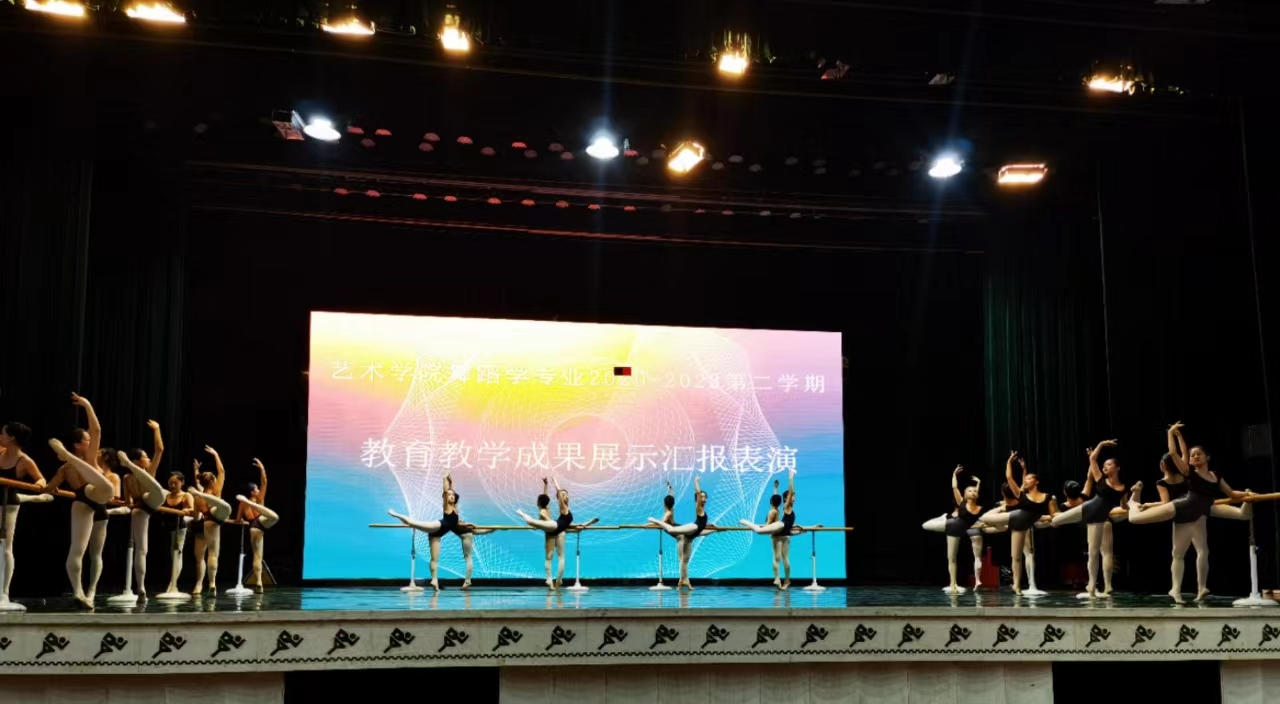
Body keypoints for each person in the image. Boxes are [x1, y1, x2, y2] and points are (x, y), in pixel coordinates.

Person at [1129, 422, 1252, 602]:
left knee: (1187, 552)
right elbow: (1174, 454)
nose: (1195, 456)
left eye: (1198, 454)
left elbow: (1232, 494)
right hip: (1180, 508)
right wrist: (1173, 434)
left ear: (1206, 457)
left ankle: (1191, 589)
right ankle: (1132, 502)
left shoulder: (1216, 476)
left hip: (1196, 514)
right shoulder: (1189, 473)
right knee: (1134, 519)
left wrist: (1248, 494)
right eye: (1192, 455)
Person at [43, 394, 127, 609]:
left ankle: (90, 591)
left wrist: (87, 405)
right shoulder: (80, 462)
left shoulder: (79, 462)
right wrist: (42, 487)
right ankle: (78, 592)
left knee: (93, 552)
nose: (92, 441)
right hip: (87, 498)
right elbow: (49, 488)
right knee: (78, 549)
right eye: (87, 440)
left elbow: (96, 430)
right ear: (78, 444)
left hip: (95, 502)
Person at [388, 472, 494, 590]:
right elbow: (446, 491)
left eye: (453, 495)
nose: (451, 496)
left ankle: (434, 580)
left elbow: (456, 520)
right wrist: (445, 478)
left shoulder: (455, 509)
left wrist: (467, 524)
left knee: (434, 559)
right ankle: (396, 514)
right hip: (437, 527)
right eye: (449, 495)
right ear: (445, 497)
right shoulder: (447, 506)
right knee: (414, 523)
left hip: (439, 533)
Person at [1051, 440, 1126, 598]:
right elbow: (1092, 459)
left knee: (1094, 552)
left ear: (1117, 467)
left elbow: (1124, 506)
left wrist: (1136, 503)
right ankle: (1098, 586)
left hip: (1097, 518)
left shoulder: (1123, 488)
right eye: (1104, 465)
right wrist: (1102, 444)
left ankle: (1093, 588)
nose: (1105, 467)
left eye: (1109, 465)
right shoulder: (1101, 480)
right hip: (1087, 509)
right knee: (1055, 521)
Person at [979, 451, 1057, 596]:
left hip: (1022, 527)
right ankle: (1017, 585)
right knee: (984, 518)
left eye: (1029, 479)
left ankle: (1017, 585)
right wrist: (1009, 462)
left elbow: (1054, 516)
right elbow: (1009, 477)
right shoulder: (1021, 495)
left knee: (1017, 557)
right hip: (1014, 518)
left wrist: (1047, 518)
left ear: (1037, 481)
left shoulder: (1048, 497)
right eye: (1025, 479)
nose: (1026, 481)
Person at [0, 422, 53, 599]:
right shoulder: (0, 452)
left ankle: (4, 593)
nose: (0, 436)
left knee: (5, 547)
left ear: (12, 438)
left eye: (3, 433)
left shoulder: (24, 461)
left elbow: (41, 480)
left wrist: (38, 486)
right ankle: (32, 499)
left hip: (8, 504)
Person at [516, 477, 598, 590]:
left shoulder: (564, 510)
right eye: (563, 495)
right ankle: (555, 580)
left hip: (555, 528)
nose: (565, 496)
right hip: (554, 528)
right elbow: (549, 498)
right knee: (555, 556)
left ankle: (556, 579)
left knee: (554, 557)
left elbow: (566, 523)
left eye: (566, 494)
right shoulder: (561, 509)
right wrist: (553, 483)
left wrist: (585, 524)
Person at [117, 420, 166, 598]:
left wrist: (127, 505)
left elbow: (128, 502)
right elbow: (159, 449)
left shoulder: (127, 478)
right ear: (138, 461)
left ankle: (141, 586)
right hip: (146, 506)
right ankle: (141, 588)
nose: (148, 459)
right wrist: (157, 429)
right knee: (142, 550)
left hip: (145, 503)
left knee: (141, 550)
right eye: (145, 456)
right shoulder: (142, 473)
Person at [922, 466, 984, 594]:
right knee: (925, 526)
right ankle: (953, 584)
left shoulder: (979, 508)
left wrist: (978, 483)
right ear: (965, 495)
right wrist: (954, 475)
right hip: (951, 526)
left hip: (958, 531)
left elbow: (976, 495)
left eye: (974, 491)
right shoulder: (962, 503)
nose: (973, 492)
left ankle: (954, 584)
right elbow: (955, 487)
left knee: (953, 558)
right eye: (969, 491)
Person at [648, 478, 715, 590]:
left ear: (664, 503)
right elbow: (695, 494)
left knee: (684, 559)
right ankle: (683, 580)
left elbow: (664, 521)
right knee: (682, 557)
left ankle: (684, 580)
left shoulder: (669, 511)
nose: (703, 498)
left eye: (704, 497)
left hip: (687, 531)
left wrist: (671, 488)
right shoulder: (678, 509)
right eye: (702, 497)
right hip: (688, 529)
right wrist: (694, 482)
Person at [739, 469, 800, 589]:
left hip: (784, 532)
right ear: (786, 499)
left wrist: (776, 488)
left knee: (785, 559)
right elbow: (784, 496)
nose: (793, 498)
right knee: (762, 534)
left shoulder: (786, 508)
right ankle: (779, 579)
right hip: (782, 528)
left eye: (794, 497)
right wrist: (790, 478)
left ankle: (787, 581)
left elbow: (775, 502)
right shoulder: (786, 506)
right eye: (791, 497)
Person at [188, 447, 233, 595]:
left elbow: (196, 517)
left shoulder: (198, 498)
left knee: (200, 558)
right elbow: (222, 471)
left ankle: (199, 585)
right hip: (215, 519)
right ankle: (212, 583)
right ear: (212, 481)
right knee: (213, 553)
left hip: (205, 522)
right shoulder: (216, 490)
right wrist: (216, 455)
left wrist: (196, 471)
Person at [234, 458, 280, 593]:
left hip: (253, 528)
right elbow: (264, 481)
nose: (259, 490)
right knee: (274, 517)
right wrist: (262, 469)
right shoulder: (259, 499)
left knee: (257, 556)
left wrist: (232, 521)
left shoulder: (242, 503)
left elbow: (237, 520)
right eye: (257, 489)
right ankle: (259, 582)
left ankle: (259, 582)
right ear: (253, 492)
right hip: (260, 522)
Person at [158, 471, 195, 595]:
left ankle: (172, 584)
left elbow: (193, 510)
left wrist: (185, 510)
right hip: (168, 528)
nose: (173, 485)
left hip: (180, 527)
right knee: (172, 554)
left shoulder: (186, 496)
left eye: (175, 483)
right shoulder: (166, 495)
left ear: (182, 482)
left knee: (177, 554)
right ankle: (172, 583)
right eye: (171, 483)